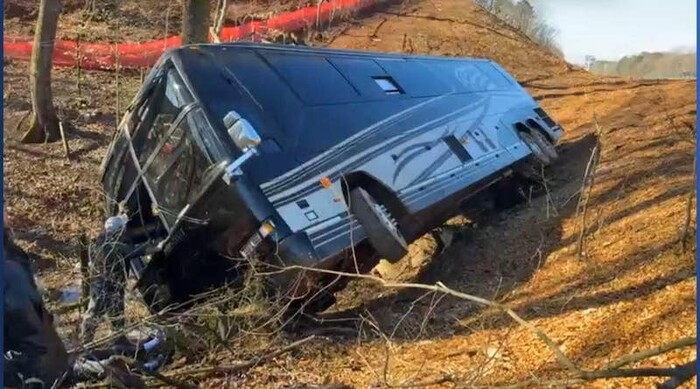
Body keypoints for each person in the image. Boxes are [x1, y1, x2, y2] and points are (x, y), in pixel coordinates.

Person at [80, 214, 132, 343]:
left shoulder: (100, 242)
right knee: (95, 314)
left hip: (108, 284)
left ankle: (119, 340)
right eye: (122, 229)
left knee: (117, 314)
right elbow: (133, 251)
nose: (124, 231)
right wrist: (155, 247)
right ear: (117, 231)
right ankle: (85, 343)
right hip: (104, 286)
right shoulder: (112, 246)